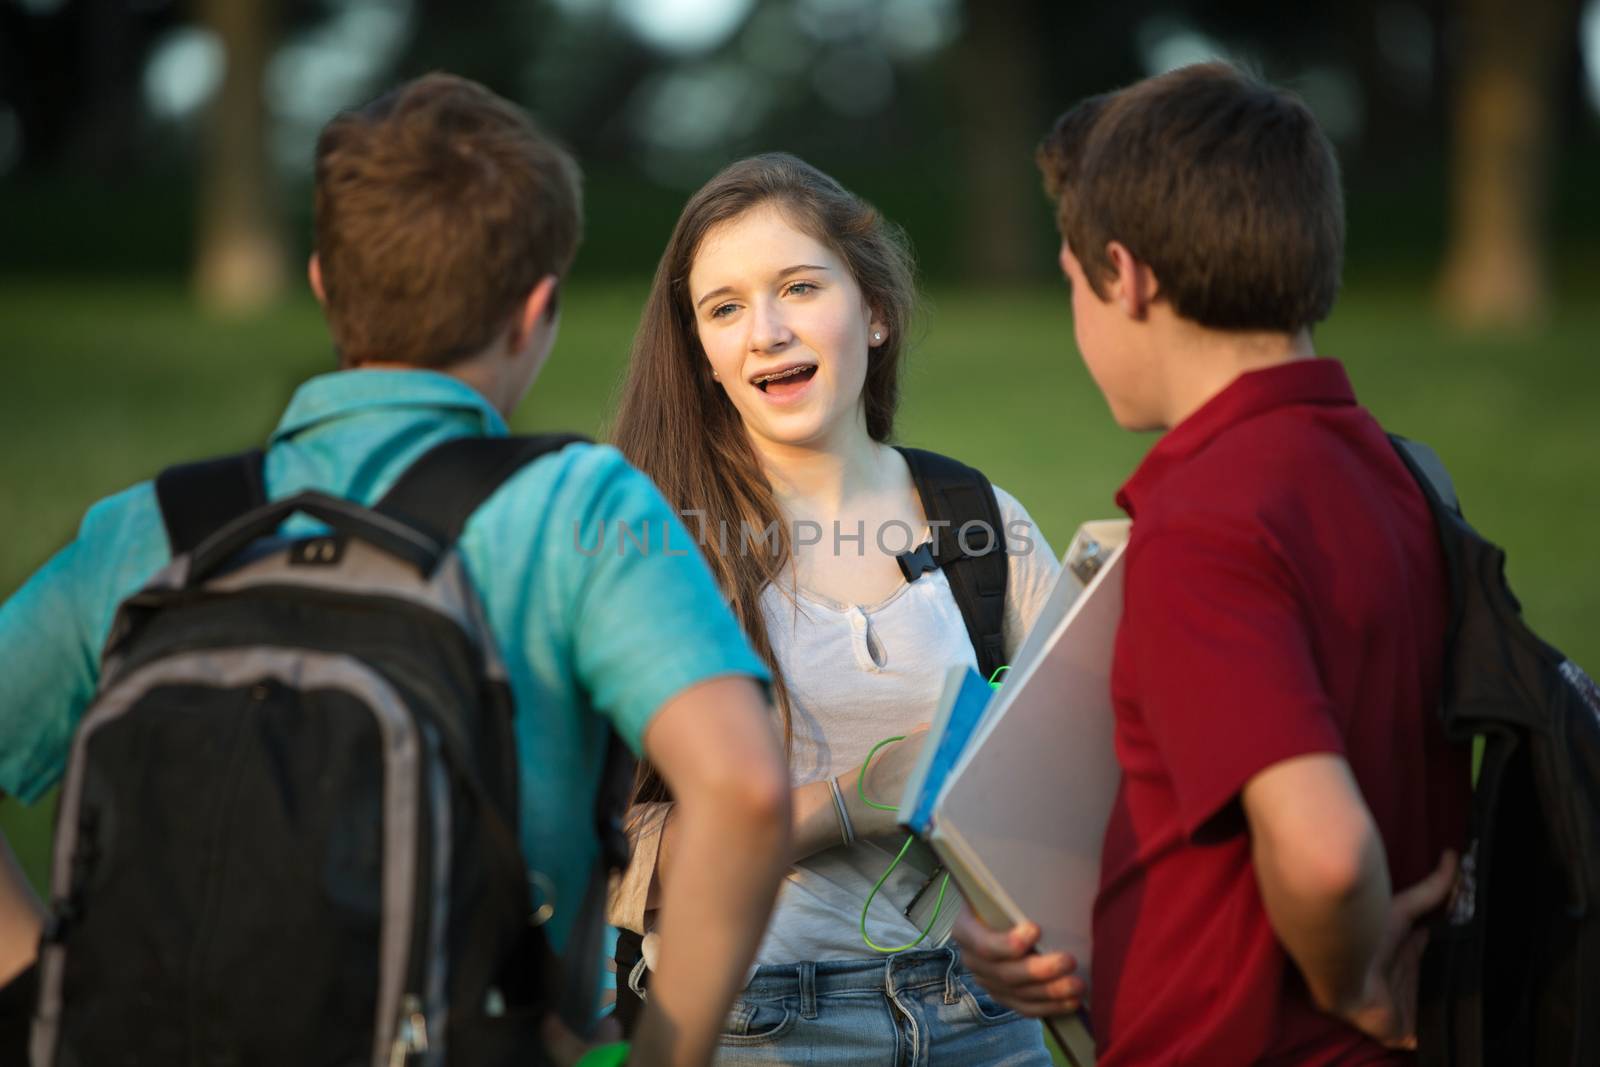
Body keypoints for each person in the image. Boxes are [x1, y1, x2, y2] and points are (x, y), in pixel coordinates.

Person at [0, 73, 791, 1067]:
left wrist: (43, 993)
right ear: (535, 310)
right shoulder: (574, 506)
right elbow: (747, 789)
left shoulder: (153, 525)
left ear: (325, 279)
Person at [952, 62, 1471, 1065]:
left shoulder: (1205, 518)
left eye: (1073, 286)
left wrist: (1348, 980)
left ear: (1126, 274)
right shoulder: (1394, 472)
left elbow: (1321, 854)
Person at [606, 152, 1059, 1065]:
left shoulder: (981, 521)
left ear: (876, 311)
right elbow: (605, 862)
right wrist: (861, 798)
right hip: (755, 1025)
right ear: (702, 354)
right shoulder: (656, 548)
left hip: (988, 1017)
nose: (766, 330)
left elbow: (1089, 776)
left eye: (799, 287)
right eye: (725, 307)